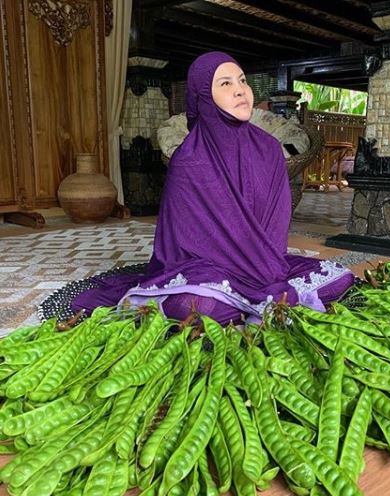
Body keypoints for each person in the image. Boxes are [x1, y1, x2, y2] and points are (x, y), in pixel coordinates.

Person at [73, 51, 354, 324]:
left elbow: (276, 223)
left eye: (242, 80)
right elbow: (179, 241)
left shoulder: (268, 149)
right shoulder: (190, 158)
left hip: (264, 264)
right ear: (204, 96)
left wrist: (259, 268)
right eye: (226, 83)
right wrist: (230, 268)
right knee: (200, 307)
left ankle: (245, 300)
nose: (240, 90)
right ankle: (241, 300)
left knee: (342, 277)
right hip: (206, 267)